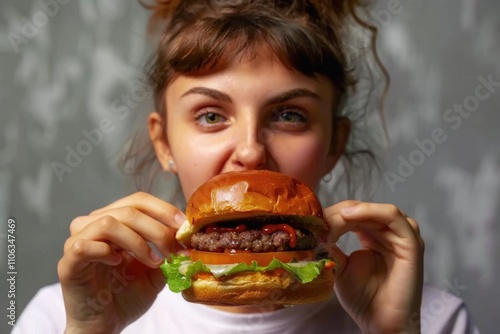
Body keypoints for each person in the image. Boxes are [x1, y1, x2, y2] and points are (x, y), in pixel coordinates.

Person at [14, 1, 479, 333]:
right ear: (164, 142)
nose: (251, 151)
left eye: (289, 115)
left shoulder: (434, 320)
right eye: (211, 116)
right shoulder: (63, 316)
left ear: (335, 142)